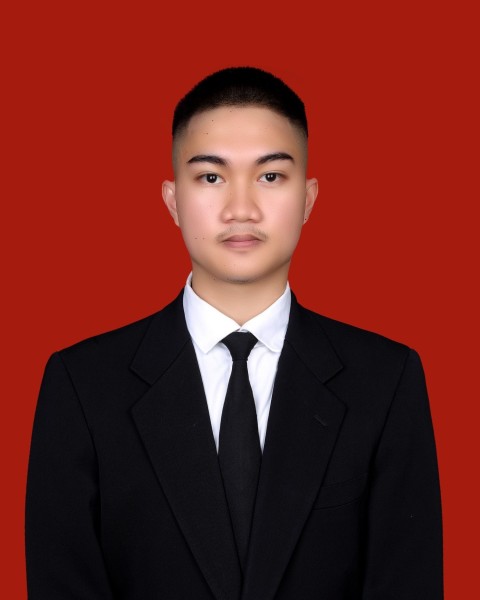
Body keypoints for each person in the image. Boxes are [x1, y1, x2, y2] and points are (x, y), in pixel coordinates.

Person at [25, 67, 443, 599]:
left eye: (270, 176)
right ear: (172, 200)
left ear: (308, 198)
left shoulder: (385, 380)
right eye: (210, 177)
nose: (240, 209)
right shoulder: (83, 385)